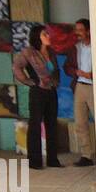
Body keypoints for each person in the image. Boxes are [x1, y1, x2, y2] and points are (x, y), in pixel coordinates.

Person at [12, 24, 62, 171]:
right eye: (44, 35)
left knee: (51, 124)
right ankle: (35, 160)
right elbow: (16, 67)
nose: (48, 37)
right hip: (38, 91)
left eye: (47, 34)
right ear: (37, 37)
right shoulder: (29, 52)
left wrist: (55, 83)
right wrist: (29, 81)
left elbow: (55, 70)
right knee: (35, 124)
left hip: (51, 90)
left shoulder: (51, 52)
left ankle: (53, 159)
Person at [65, 18, 96, 167]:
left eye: (80, 30)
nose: (77, 33)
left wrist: (92, 75)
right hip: (79, 86)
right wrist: (76, 72)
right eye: (76, 30)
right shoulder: (75, 48)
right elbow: (67, 67)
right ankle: (86, 155)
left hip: (95, 88)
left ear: (89, 31)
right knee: (80, 122)